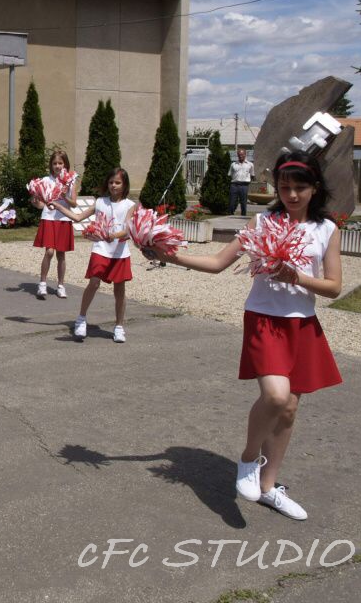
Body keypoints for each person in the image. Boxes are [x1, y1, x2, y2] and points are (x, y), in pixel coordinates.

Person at [151, 151, 342, 521]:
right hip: (265, 320)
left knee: (288, 410)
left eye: (300, 187)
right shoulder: (263, 221)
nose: (292, 195)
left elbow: (333, 287)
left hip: (303, 325)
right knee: (276, 395)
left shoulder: (327, 229)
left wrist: (297, 277)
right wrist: (169, 256)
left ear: (315, 187)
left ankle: (269, 488)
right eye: (284, 187)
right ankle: (249, 459)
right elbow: (217, 263)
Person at [56, 168, 135, 343]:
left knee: (120, 290)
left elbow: (128, 229)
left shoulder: (130, 205)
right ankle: (81, 319)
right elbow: (78, 217)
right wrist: (58, 206)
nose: (113, 185)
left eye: (118, 182)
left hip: (120, 252)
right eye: (111, 182)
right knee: (94, 282)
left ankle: (119, 326)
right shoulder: (100, 202)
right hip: (101, 249)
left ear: (125, 185)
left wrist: (113, 235)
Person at [31, 149, 79, 299]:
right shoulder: (45, 180)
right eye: (54, 163)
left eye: (60, 163)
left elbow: (74, 203)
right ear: (51, 165)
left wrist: (64, 195)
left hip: (64, 219)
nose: (57, 166)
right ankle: (42, 284)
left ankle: (61, 286)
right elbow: (41, 204)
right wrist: (35, 201)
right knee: (49, 252)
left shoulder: (71, 181)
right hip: (49, 218)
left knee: (61, 254)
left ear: (65, 164)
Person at [228, 148, 254, 217]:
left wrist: (247, 182)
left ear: (245, 154)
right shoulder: (233, 164)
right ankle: (230, 215)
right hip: (234, 185)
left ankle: (243, 216)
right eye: (239, 154)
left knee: (243, 203)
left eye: (242, 154)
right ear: (237, 155)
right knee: (232, 202)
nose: (240, 156)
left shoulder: (250, 164)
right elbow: (230, 174)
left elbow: (252, 175)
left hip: (244, 185)